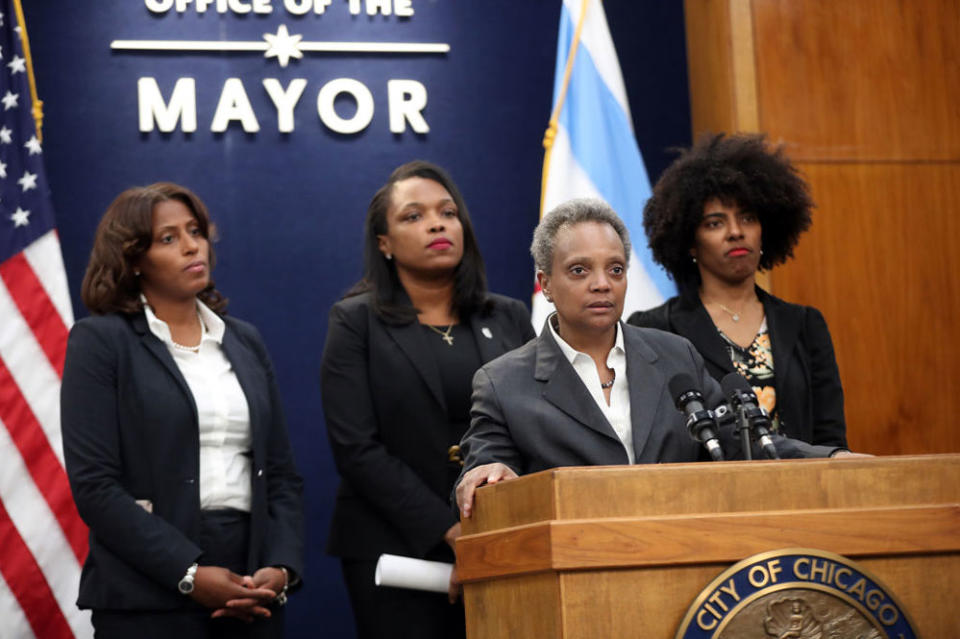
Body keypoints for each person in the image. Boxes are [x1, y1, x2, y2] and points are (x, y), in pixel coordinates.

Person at [455, 198, 848, 518]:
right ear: (546, 285)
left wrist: (834, 457)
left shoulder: (675, 355)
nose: (602, 284)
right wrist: (486, 472)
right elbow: (487, 464)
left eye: (615, 269)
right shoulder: (502, 382)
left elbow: (737, 440)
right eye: (579, 270)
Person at [61, 183, 304, 638]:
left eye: (196, 231)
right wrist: (188, 573)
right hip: (146, 591)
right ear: (133, 259)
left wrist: (282, 566)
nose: (193, 245)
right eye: (168, 238)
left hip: (250, 584)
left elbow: (281, 473)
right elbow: (94, 486)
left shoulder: (245, 340)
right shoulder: (100, 342)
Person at [320, 160, 535, 638]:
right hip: (397, 550)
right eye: (413, 216)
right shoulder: (356, 322)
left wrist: (486, 534)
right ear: (384, 244)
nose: (437, 223)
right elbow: (357, 448)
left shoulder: (508, 317)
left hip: (498, 543)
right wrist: (449, 529)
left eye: (448, 212)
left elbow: (533, 427)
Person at [627, 133, 846, 448]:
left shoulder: (804, 326)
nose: (736, 232)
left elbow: (831, 437)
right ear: (689, 241)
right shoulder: (654, 329)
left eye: (748, 218)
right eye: (715, 223)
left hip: (802, 491)